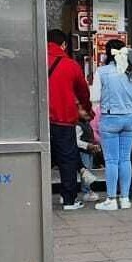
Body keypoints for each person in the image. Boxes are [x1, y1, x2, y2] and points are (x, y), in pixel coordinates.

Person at [89, 39, 132, 210]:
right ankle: (125, 198)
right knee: (126, 159)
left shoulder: (102, 72)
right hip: (131, 118)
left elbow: (94, 98)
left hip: (110, 118)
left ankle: (111, 198)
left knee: (111, 160)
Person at [46, 30, 92, 210]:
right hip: (63, 119)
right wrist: (87, 110)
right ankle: (68, 200)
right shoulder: (71, 65)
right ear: (64, 45)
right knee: (67, 159)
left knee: (40, 158)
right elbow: (83, 92)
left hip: (38, 121)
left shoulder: (36, 61)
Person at [75, 118, 101, 203]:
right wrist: (88, 145)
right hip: (83, 151)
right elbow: (76, 141)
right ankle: (86, 191)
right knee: (85, 172)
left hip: (88, 151)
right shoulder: (79, 125)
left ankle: (87, 190)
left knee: (87, 172)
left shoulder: (86, 124)